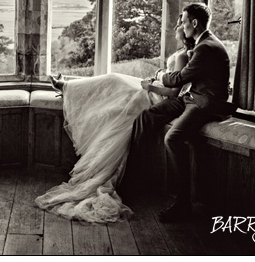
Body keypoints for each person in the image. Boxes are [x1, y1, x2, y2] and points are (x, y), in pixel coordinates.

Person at [34, 18, 195, 224]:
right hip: (152, 91)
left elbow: (173, 93)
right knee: (113, 82)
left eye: (181, 24)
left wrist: (150, 87)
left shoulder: (182, 56)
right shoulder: (183, 53)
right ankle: (68, 87)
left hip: (155, 97)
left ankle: (66, 87)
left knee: (114, 83)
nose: (176, 26)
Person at [122, 2, 235, 223]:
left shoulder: (206, 47)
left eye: (184, 22)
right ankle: (133, 175)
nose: (182, 27)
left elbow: (180, 78)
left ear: (194, 23)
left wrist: (160, 75)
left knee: (172, 138)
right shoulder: (202, 44)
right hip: (192, 97)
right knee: (148, 116)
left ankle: (183, 201)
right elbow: (184, 81)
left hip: (206, 104)